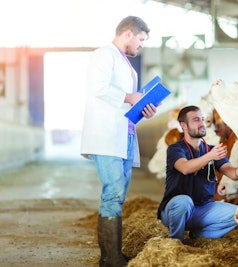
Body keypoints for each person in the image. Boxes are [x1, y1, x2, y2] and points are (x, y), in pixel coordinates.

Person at [80, 16, 156, 267]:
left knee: (118, 194)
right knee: (113, 193)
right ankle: (111, 258)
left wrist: (142, 107)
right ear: (128, 34)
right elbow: (98, 89)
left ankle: (110, 256)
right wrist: (130, 96)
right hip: (106, 136)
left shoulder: (125, 63)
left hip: (123, 134)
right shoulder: (104, 55)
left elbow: (124, 104)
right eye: (141, 39)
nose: (142, 45)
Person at [157, 105, 238, 242]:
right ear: (184, 125)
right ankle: (176, 241)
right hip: (175, 209)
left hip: (202, 208)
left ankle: (199, 236)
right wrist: (210, 156)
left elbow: (233, 174)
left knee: (237, 213)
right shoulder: (175, 149)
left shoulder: (210, 150)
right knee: (184, 201)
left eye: (202, 119)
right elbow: (185, 168)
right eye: (196, 120)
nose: (202, 123)